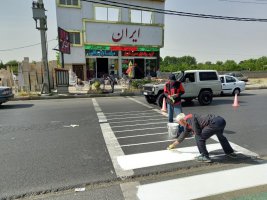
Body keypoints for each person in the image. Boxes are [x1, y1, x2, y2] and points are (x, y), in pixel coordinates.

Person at [167, 113, 237, 163]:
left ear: (182, 120)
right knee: (221, 137)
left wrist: (195, 133)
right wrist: (173, 144)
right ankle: (230, 152)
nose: (180, 125)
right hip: (221, 121)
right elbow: (183, 135)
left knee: (199, 137)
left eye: (179, 123)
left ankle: (205, 156)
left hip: (214, 123)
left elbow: (197, 131)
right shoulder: (188, 123)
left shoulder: (189, 119)